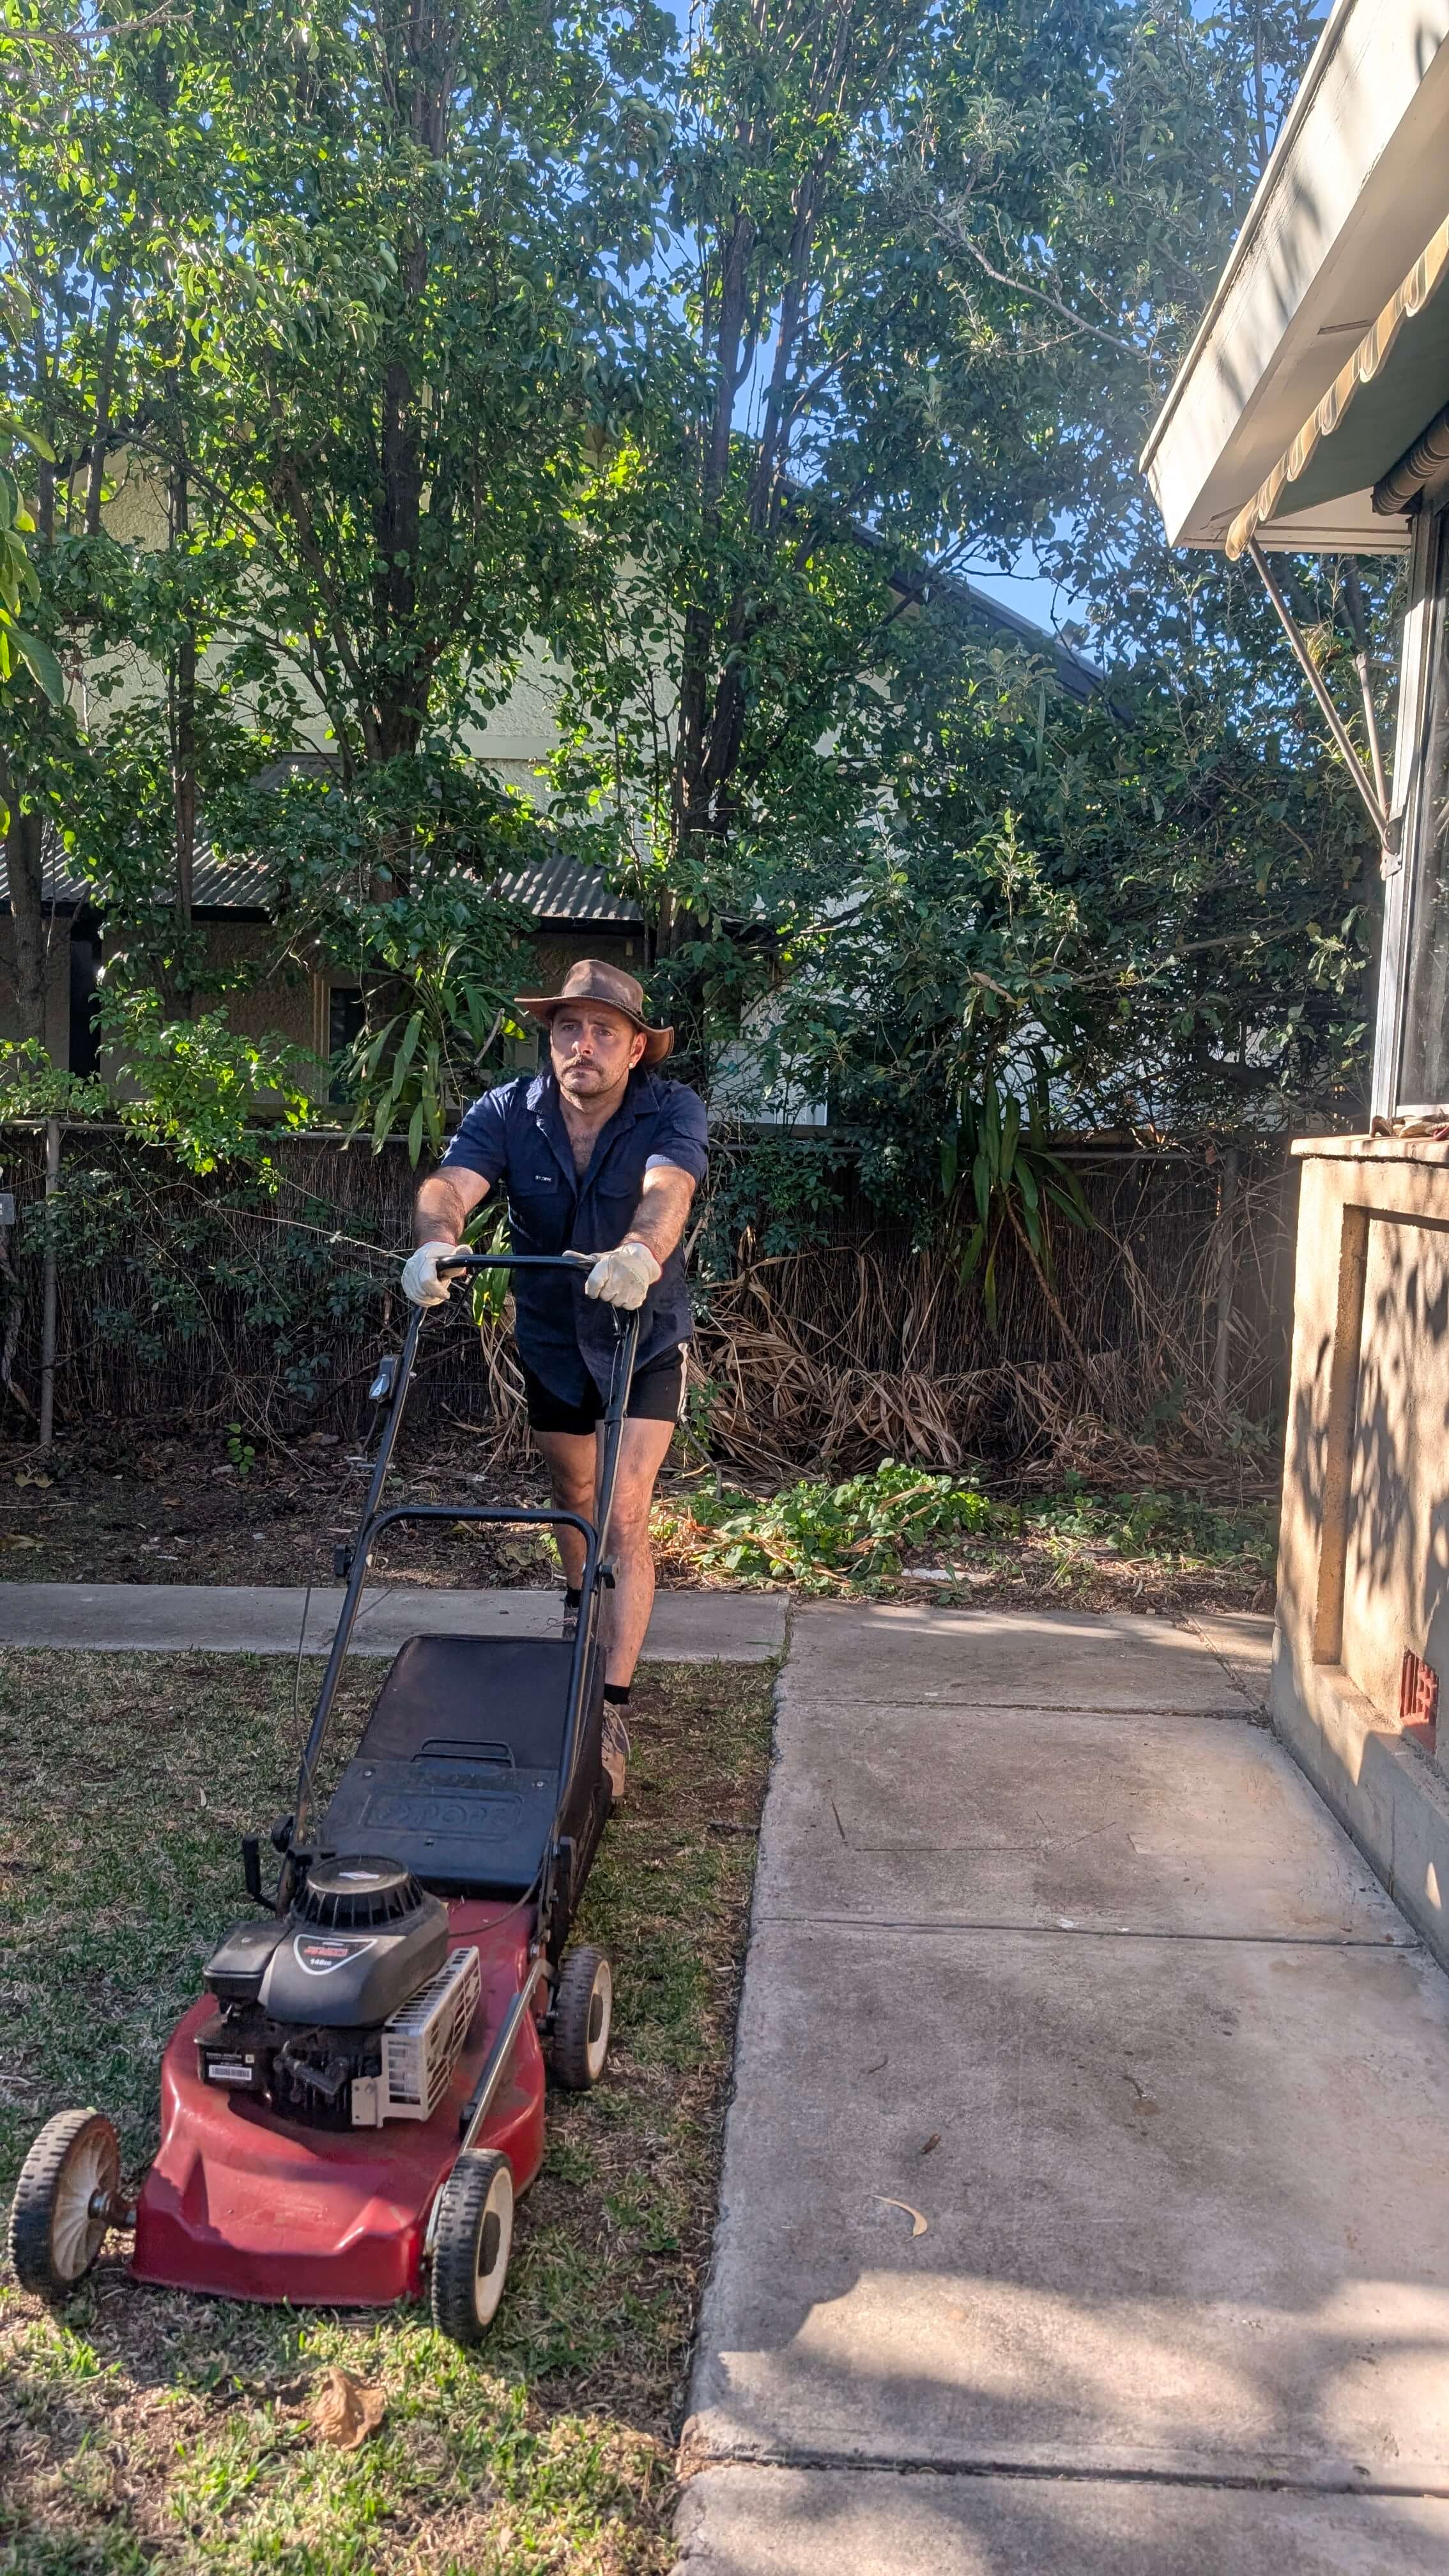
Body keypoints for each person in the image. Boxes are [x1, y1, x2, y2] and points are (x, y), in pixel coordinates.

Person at [401, 959, 708, 1798]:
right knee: (573, 1495)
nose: (583, 1044)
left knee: (624, 1506)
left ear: (636, 1048)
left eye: (603, 1030)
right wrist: (436, 1240)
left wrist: (641, 1254)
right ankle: (580, 1629)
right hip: (551, 1335)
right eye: (568, 1028)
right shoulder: (508, 1111)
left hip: (640, 1330)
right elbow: (451, 1183)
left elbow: (668, 1187)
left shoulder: (670, 1109)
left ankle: (610, 1702)